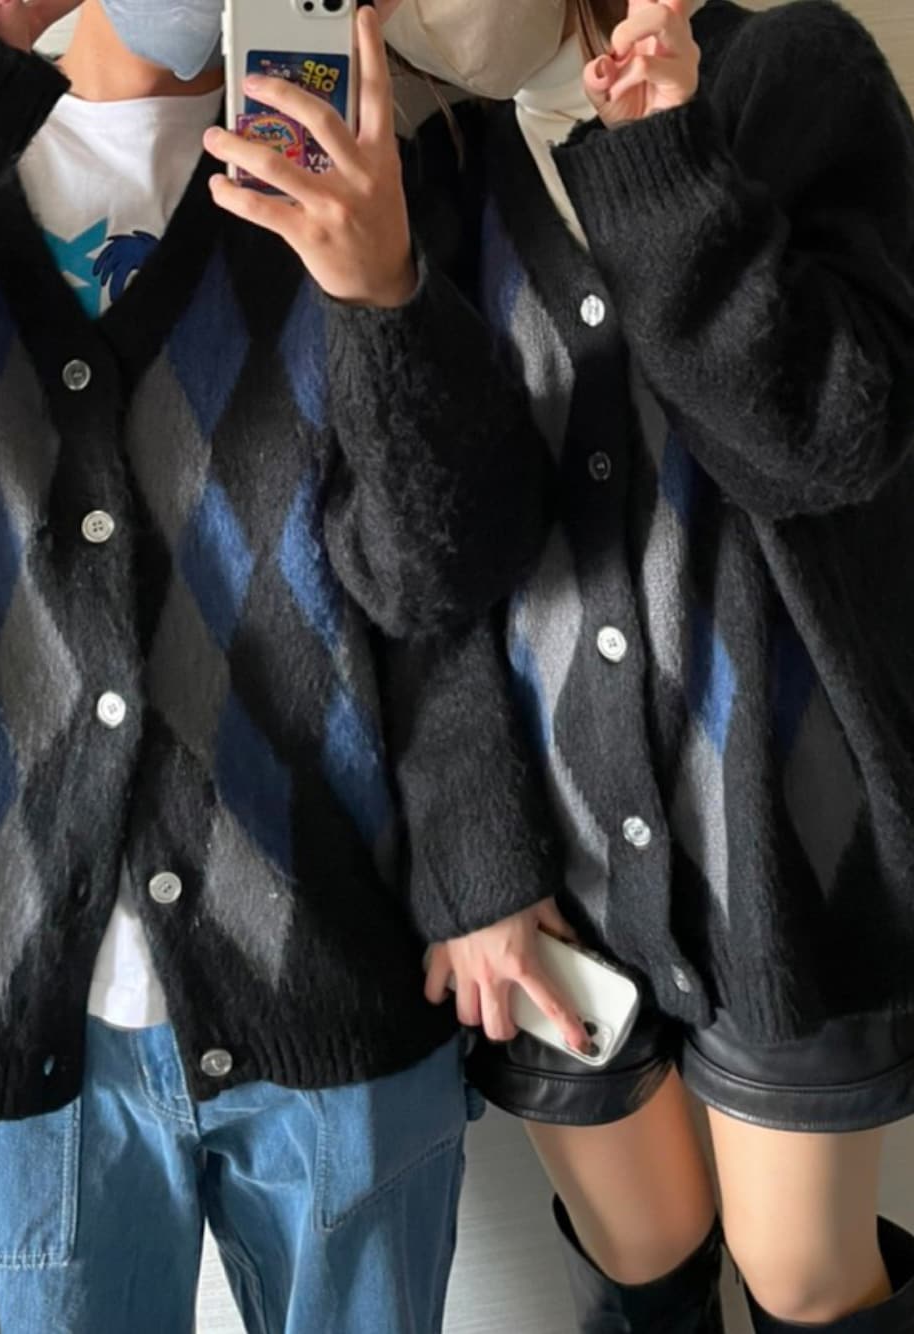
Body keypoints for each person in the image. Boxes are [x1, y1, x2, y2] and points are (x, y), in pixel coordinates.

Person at [0, 0, 588, 1328]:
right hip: (17, 1038)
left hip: (331, 983)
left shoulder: (359, 167)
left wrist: (384, 290)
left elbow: (439, 580)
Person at [381, 0, 914, 1330]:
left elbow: (825, 443)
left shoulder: (793, 71)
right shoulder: (428, 161)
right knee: (642, 1257)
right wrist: (471, 860)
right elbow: (418, 574)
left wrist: (668, 165)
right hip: (550, 861)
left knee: (803, 1277)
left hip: (788, 854)